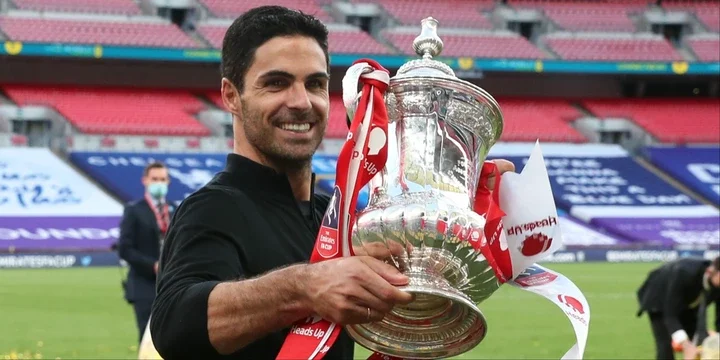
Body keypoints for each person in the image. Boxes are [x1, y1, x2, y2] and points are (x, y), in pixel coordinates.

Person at [149, 5, 516, 359]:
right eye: (276, 83)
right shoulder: (213, 208)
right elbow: (174, 326)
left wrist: (465, 204)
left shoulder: (337, 221)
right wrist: (305, 288)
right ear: (232, 95)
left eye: (315, 84)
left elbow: (412, 300)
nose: (300, 101)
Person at [118, 161, 172, 344]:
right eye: (155, 179)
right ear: (145, 181)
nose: (159, 183)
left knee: (173, 339)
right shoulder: (134, 210)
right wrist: (153, 265)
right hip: (144, 285)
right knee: (148, 339)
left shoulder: (175, 209)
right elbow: (125, 249)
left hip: (172, 284)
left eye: (163, 179)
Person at [636, 256, 720, 360]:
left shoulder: (717, 284)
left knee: (698, 342)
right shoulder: (684, 273)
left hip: (689, 301)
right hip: (658, 297)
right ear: (711, 271)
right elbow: (670, 315)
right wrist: (686, 345)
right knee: (665, 345)